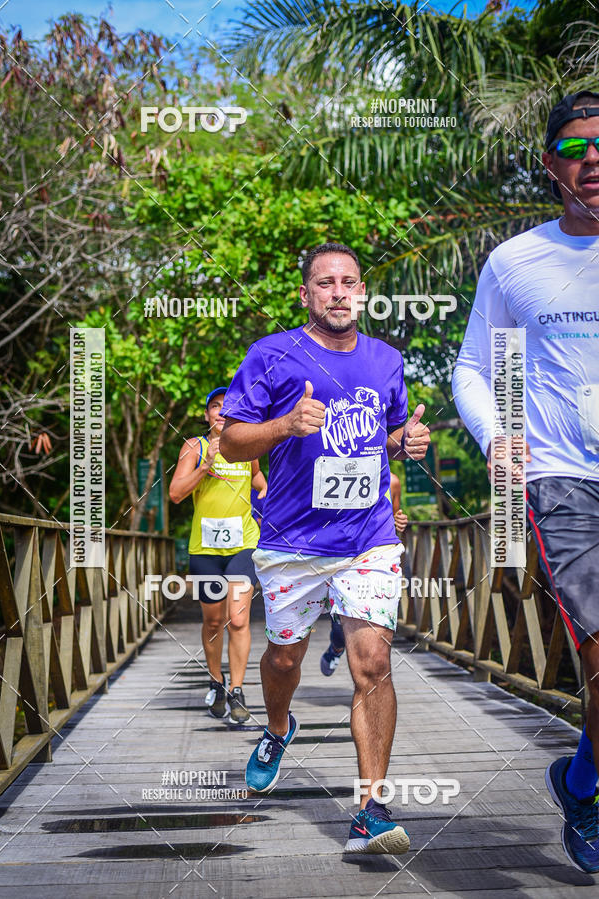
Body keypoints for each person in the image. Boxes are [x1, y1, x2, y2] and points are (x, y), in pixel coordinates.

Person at [219, 243, 430, 853]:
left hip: (366, 538)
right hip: (291, 540)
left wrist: (405, 440)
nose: (339, 292)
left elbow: (384, 436)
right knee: (285, 657)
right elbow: (231, 442)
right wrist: (285, 425)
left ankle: (371, 808)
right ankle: (279, 729)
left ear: (362, 293)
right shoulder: (271, 355)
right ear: (306, 294)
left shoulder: (387, 360)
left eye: (350, 282)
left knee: (372, 664)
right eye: (325, 283)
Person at [452, 90, 599, 873]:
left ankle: (580, 781)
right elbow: (473, 369)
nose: (595, 160)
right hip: (560, 478)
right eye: (579, 148)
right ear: (552, 165)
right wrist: (494, 433)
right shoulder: (517, 260)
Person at [169, 387, 267, 725]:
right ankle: (216, 681)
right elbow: (176, 494)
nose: (222, 412)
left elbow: (258, 479)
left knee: (238, 619)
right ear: (208, 415)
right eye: (215, 406)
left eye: (229, 407)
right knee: (213, 621)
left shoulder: (245, 446)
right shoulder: (193, 447)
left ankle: (237, 690)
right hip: (205, 550)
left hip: (243, 544)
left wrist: (264, 507)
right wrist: (205, 467)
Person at [320, 472, 409, 676]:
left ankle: (368, 687)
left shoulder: (393, 482)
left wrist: (399, 521)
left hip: (375, 562)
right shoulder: (337, 471)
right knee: (340, 630)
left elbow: (393, 519)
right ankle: (336, 649)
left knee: (375, 635)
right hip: (340, 559)